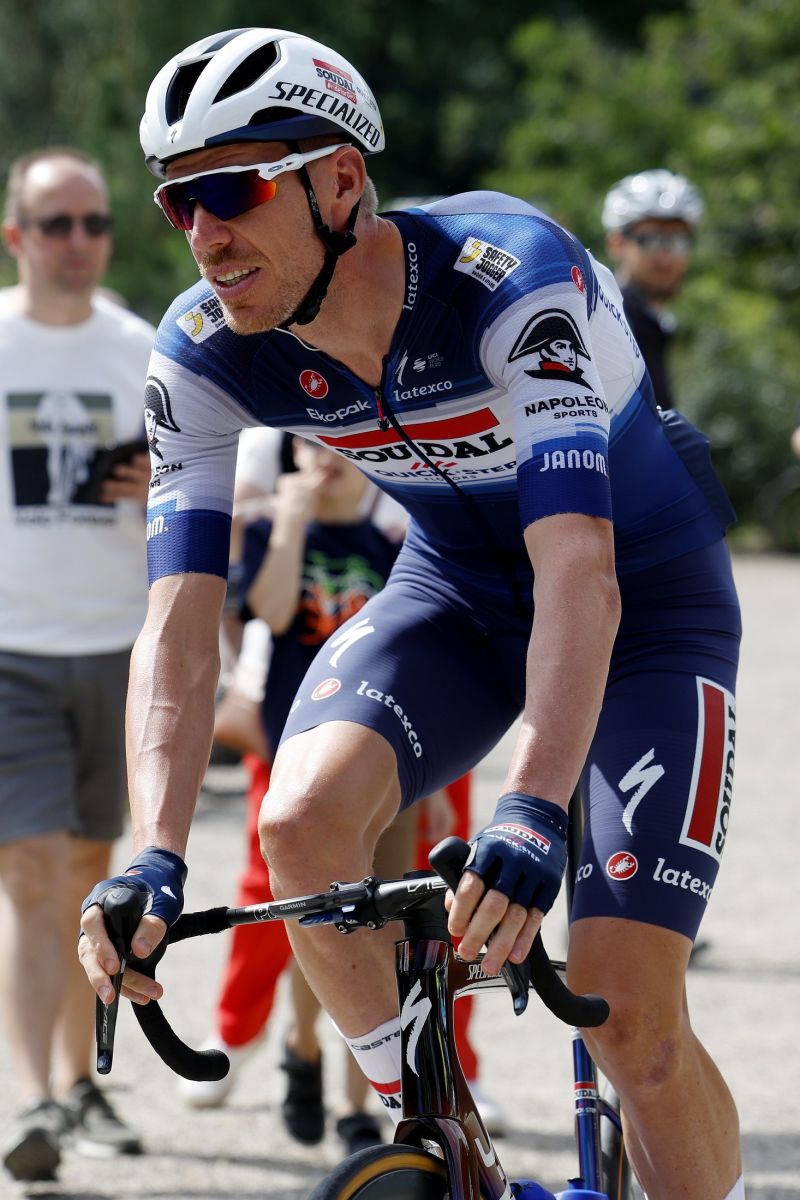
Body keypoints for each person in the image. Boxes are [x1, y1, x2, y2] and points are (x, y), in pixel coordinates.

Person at [79, 29, 743, 1200]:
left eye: (232, 191)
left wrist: (530, 810)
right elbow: (178, 624)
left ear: (341, 181)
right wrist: (155, 855)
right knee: (297, 820)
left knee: (627, 1015)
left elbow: (579, 571)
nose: (203, 235)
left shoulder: (507, 278)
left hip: (640, 606)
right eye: (179, 201)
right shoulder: (201, 349)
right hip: (457, 594)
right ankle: (445, 1150)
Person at [0, 147, 155, 1182]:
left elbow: (205, 495)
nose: (79, 242)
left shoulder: (138, 347)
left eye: (94, 223)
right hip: (10, 647)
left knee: (92, 879)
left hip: (118, 644)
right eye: (56, 224)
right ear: (16, 236)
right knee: (29, 872)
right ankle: (36, 1100)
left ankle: (77, 1080)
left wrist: (157, 488)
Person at [602, 169, 704, 410]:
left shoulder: (652, 324)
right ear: (617, 243)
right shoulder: (608, 320)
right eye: (651, 240)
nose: (666, 256)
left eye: (678, 241)